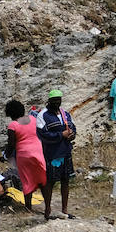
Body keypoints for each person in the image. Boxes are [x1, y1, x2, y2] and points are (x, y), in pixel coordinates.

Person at [36, 89, 77, 219]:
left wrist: (71, 134)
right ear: (49, 101)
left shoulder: (65, 114)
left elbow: (73, 127)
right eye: (54, 100)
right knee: (50, 182)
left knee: (66, 180)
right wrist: (61, 135)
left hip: (66, 152)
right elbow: (42, 135)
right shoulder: (43, 115)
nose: (56, 102)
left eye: (58, 100)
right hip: (52, 154)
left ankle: (64, 209)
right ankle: (47, 209)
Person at [4, 99, 46, 214]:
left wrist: (5, 156)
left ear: (11, 113)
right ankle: (48, 207)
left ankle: (28, 208)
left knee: (27, 181)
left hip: (24, 154)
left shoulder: (13, 125)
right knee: (42, 178)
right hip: (38, 151)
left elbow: (11, 144)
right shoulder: (33, 119)